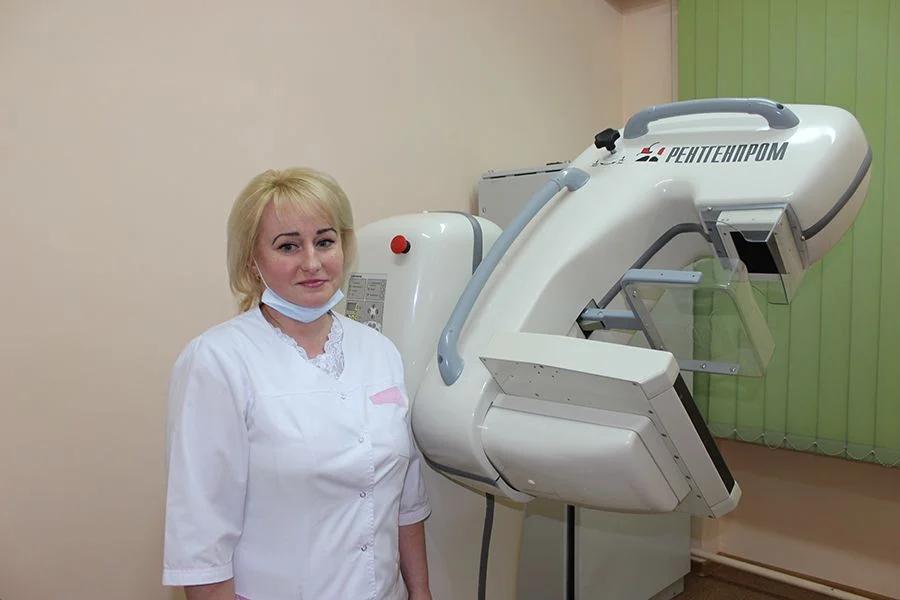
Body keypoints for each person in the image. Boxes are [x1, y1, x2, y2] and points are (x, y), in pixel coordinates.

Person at [162, 167, 432, 600]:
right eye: (288, 246)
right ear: (252, 261)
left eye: (324, 241)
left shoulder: (380, 351)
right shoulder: (217, 361)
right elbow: (202, 544)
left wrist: (420, 591)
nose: (312, 262)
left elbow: (406, 501)